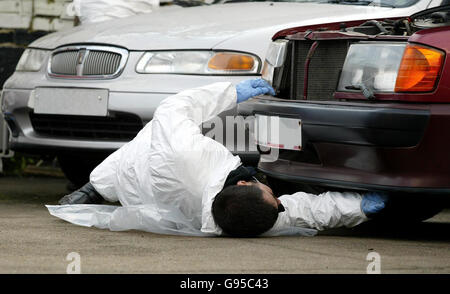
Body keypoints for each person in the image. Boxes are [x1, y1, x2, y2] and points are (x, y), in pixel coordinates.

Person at [48, 79, 388, 237]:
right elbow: (302, 212)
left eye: (270, 193)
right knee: (152, 147)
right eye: (275, 197)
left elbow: (172, 107)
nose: (277, 196)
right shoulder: (247, 219)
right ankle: (96, 186)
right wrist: (357, 207)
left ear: (242, 183)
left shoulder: (190, 152)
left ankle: (95, 187)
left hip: (139, 173)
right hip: (150, 183)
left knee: (153, 137)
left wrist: (228, 93)